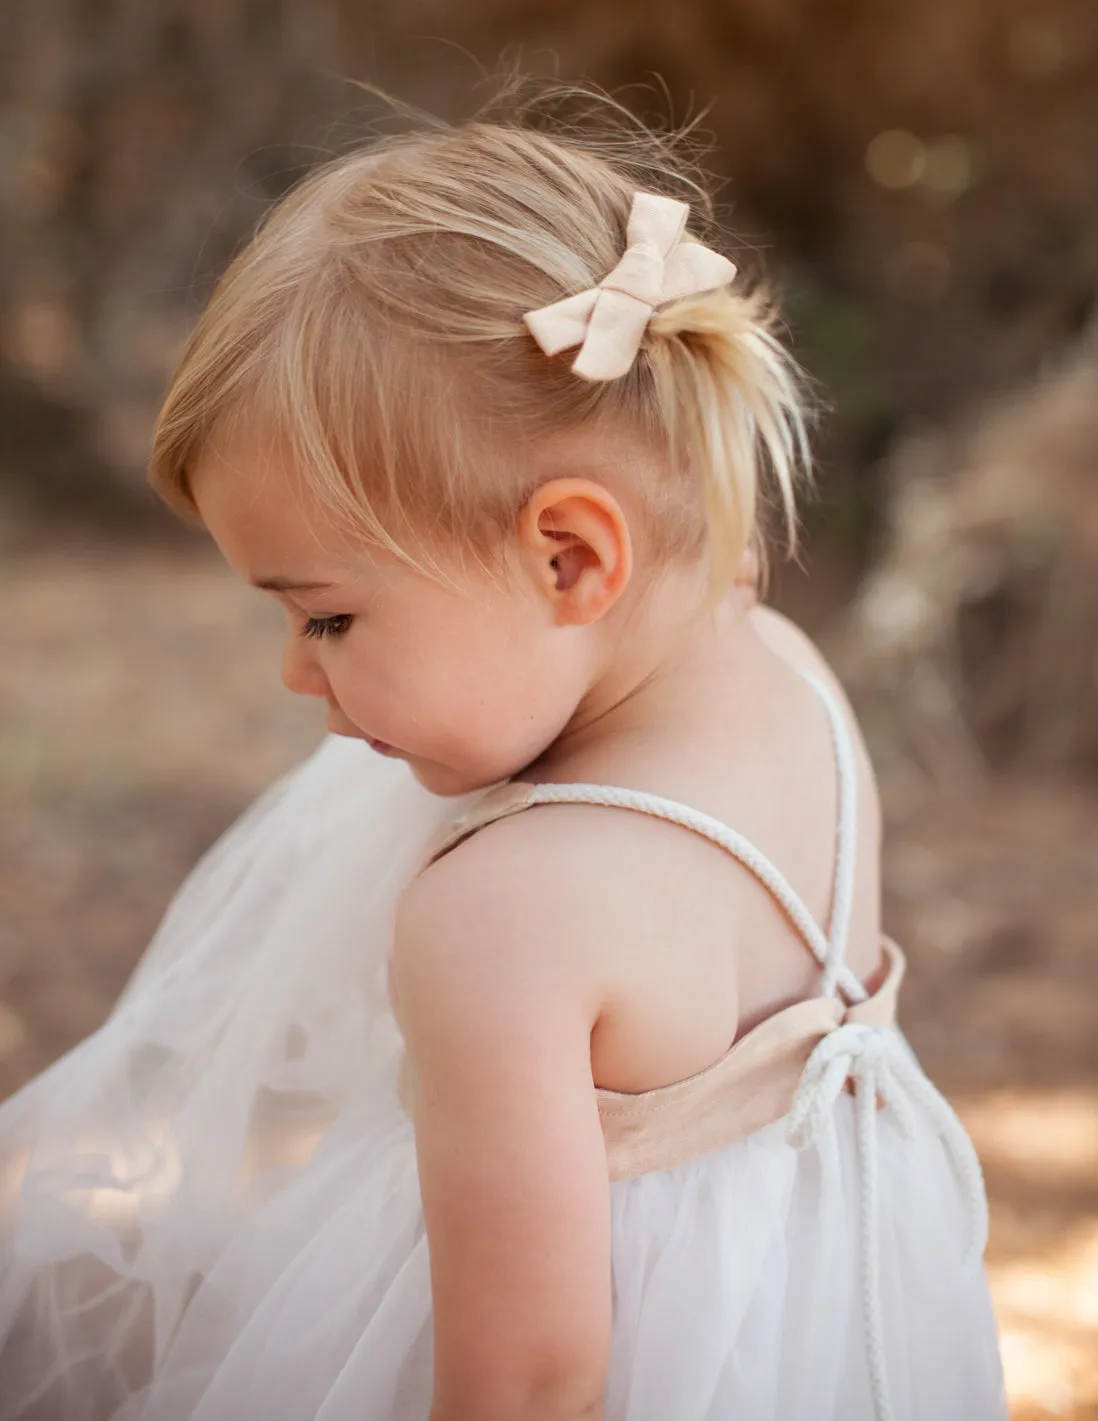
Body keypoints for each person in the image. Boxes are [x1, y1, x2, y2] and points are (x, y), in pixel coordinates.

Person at [0, 81, 1006, 1421]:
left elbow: (527, 1382)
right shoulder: (786, 671)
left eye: (329, 614)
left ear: (569, 555)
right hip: (840, 1335)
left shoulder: (502, 914)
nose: (297, 672)